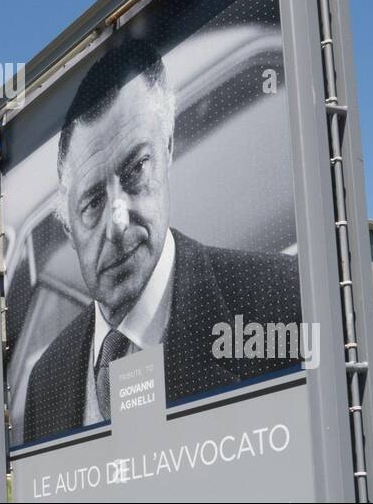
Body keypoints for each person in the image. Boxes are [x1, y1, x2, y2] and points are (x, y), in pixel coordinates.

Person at [22, 38, 301, 444]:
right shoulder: (45, 381)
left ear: (167, 150)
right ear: (69, 229)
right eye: (93, 202)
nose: (117, 223)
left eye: (136, 168)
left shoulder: (279, 300)